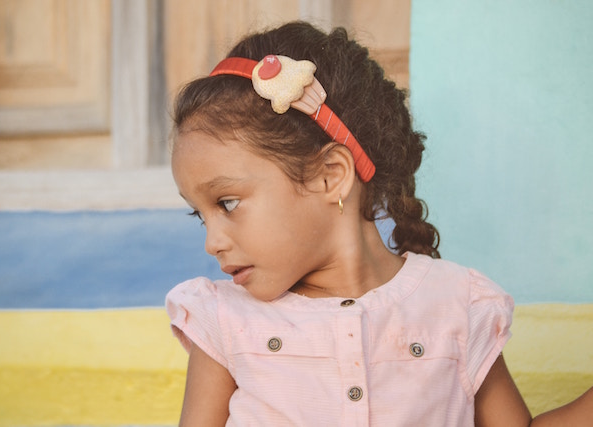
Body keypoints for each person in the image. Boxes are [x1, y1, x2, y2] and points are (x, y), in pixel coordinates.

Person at [165, 21, 592, 426]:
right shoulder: (224, 321)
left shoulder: (457, 307)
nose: (212, 242)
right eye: (200, 215)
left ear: (331, 175)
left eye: (228, 202)